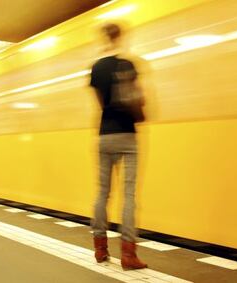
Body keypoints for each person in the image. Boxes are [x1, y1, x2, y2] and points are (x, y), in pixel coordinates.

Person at [90, 23, 147, 270]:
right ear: (120, 37)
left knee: (103, 192)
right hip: (127, 135)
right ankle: (128, 254)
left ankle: (100, 248)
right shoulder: (128, 65)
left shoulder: (96, 68)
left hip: (104, 134)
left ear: (104, 37)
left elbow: (101, 103)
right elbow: (138, 97)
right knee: (129, 195)